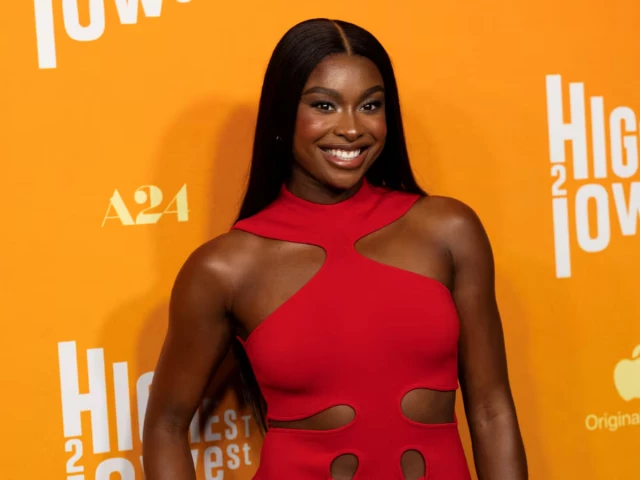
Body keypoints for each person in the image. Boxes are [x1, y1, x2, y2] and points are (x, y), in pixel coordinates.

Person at [142, 18, 528, 480]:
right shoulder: (224, 268)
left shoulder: (448, 230)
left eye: (370, 105)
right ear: (283, 114)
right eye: (324, 105)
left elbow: (491, 410)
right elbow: (165, 425)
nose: (351, 128)